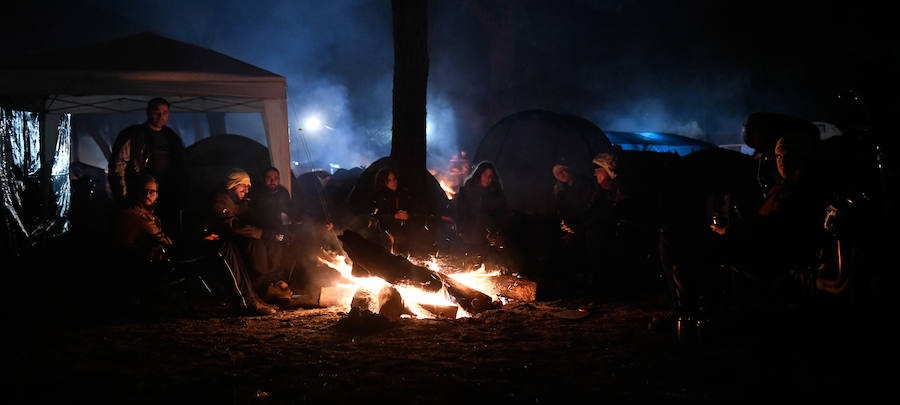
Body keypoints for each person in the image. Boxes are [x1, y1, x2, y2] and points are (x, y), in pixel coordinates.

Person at [210, 168, 290, 309]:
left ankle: (267, 286)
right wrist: (263, 233)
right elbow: (234, 226)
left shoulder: (239, 201)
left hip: (234, 239)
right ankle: (254, 296)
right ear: (233, 185)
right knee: (254, 244)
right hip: (217, 243)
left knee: (270, 242)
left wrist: (272, 230)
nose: (247, 190)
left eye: (248, 187)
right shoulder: (220, 202)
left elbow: (251, 216)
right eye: (244, 186)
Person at [109, 97, 186, 237]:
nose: (161, 116)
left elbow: (181, 167)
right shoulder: (134, 135)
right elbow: (118, 165)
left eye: (165, 112)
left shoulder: (172, 138)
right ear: (149, 112)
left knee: (166, 232)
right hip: (141, 195)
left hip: (167, 195)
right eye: (157, 111)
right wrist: (123, 196)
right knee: (143, 234)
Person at [111, 174, 175, 310]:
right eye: (144, 191)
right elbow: (162, 239)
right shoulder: (138, 215)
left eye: (152, 192)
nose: (148, 194)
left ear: (157, 195)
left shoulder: (144, 213)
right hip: (127, 260)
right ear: (137, 193)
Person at [455, 161, 507, 252]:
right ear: (479, 174)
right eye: (485, 174)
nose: (487, 178)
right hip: (466, 236)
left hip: (485, 239)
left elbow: (499, 215)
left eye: (490, 176)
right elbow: (460, 211)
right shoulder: (468, 190)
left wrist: (494, 231)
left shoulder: (496, 195)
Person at [369, 167, 412, 254]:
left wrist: (408, 216)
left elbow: (412, 211)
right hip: (383, 236)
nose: (393, 182)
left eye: (394, 179)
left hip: (401, 235)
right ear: (384, 182)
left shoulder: (401, 194)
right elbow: (375, 217)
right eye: (389, 180)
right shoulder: (379, 197)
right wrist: (394, 216)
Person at [552, 161, 597, 241]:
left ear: (567, 169)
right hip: (575, 227)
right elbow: (562, 209)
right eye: (557, 174)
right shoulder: (560, 191)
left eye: (561, 171)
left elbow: (591, 200)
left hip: (590, 223)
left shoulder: (583, 181)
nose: (561, 175)